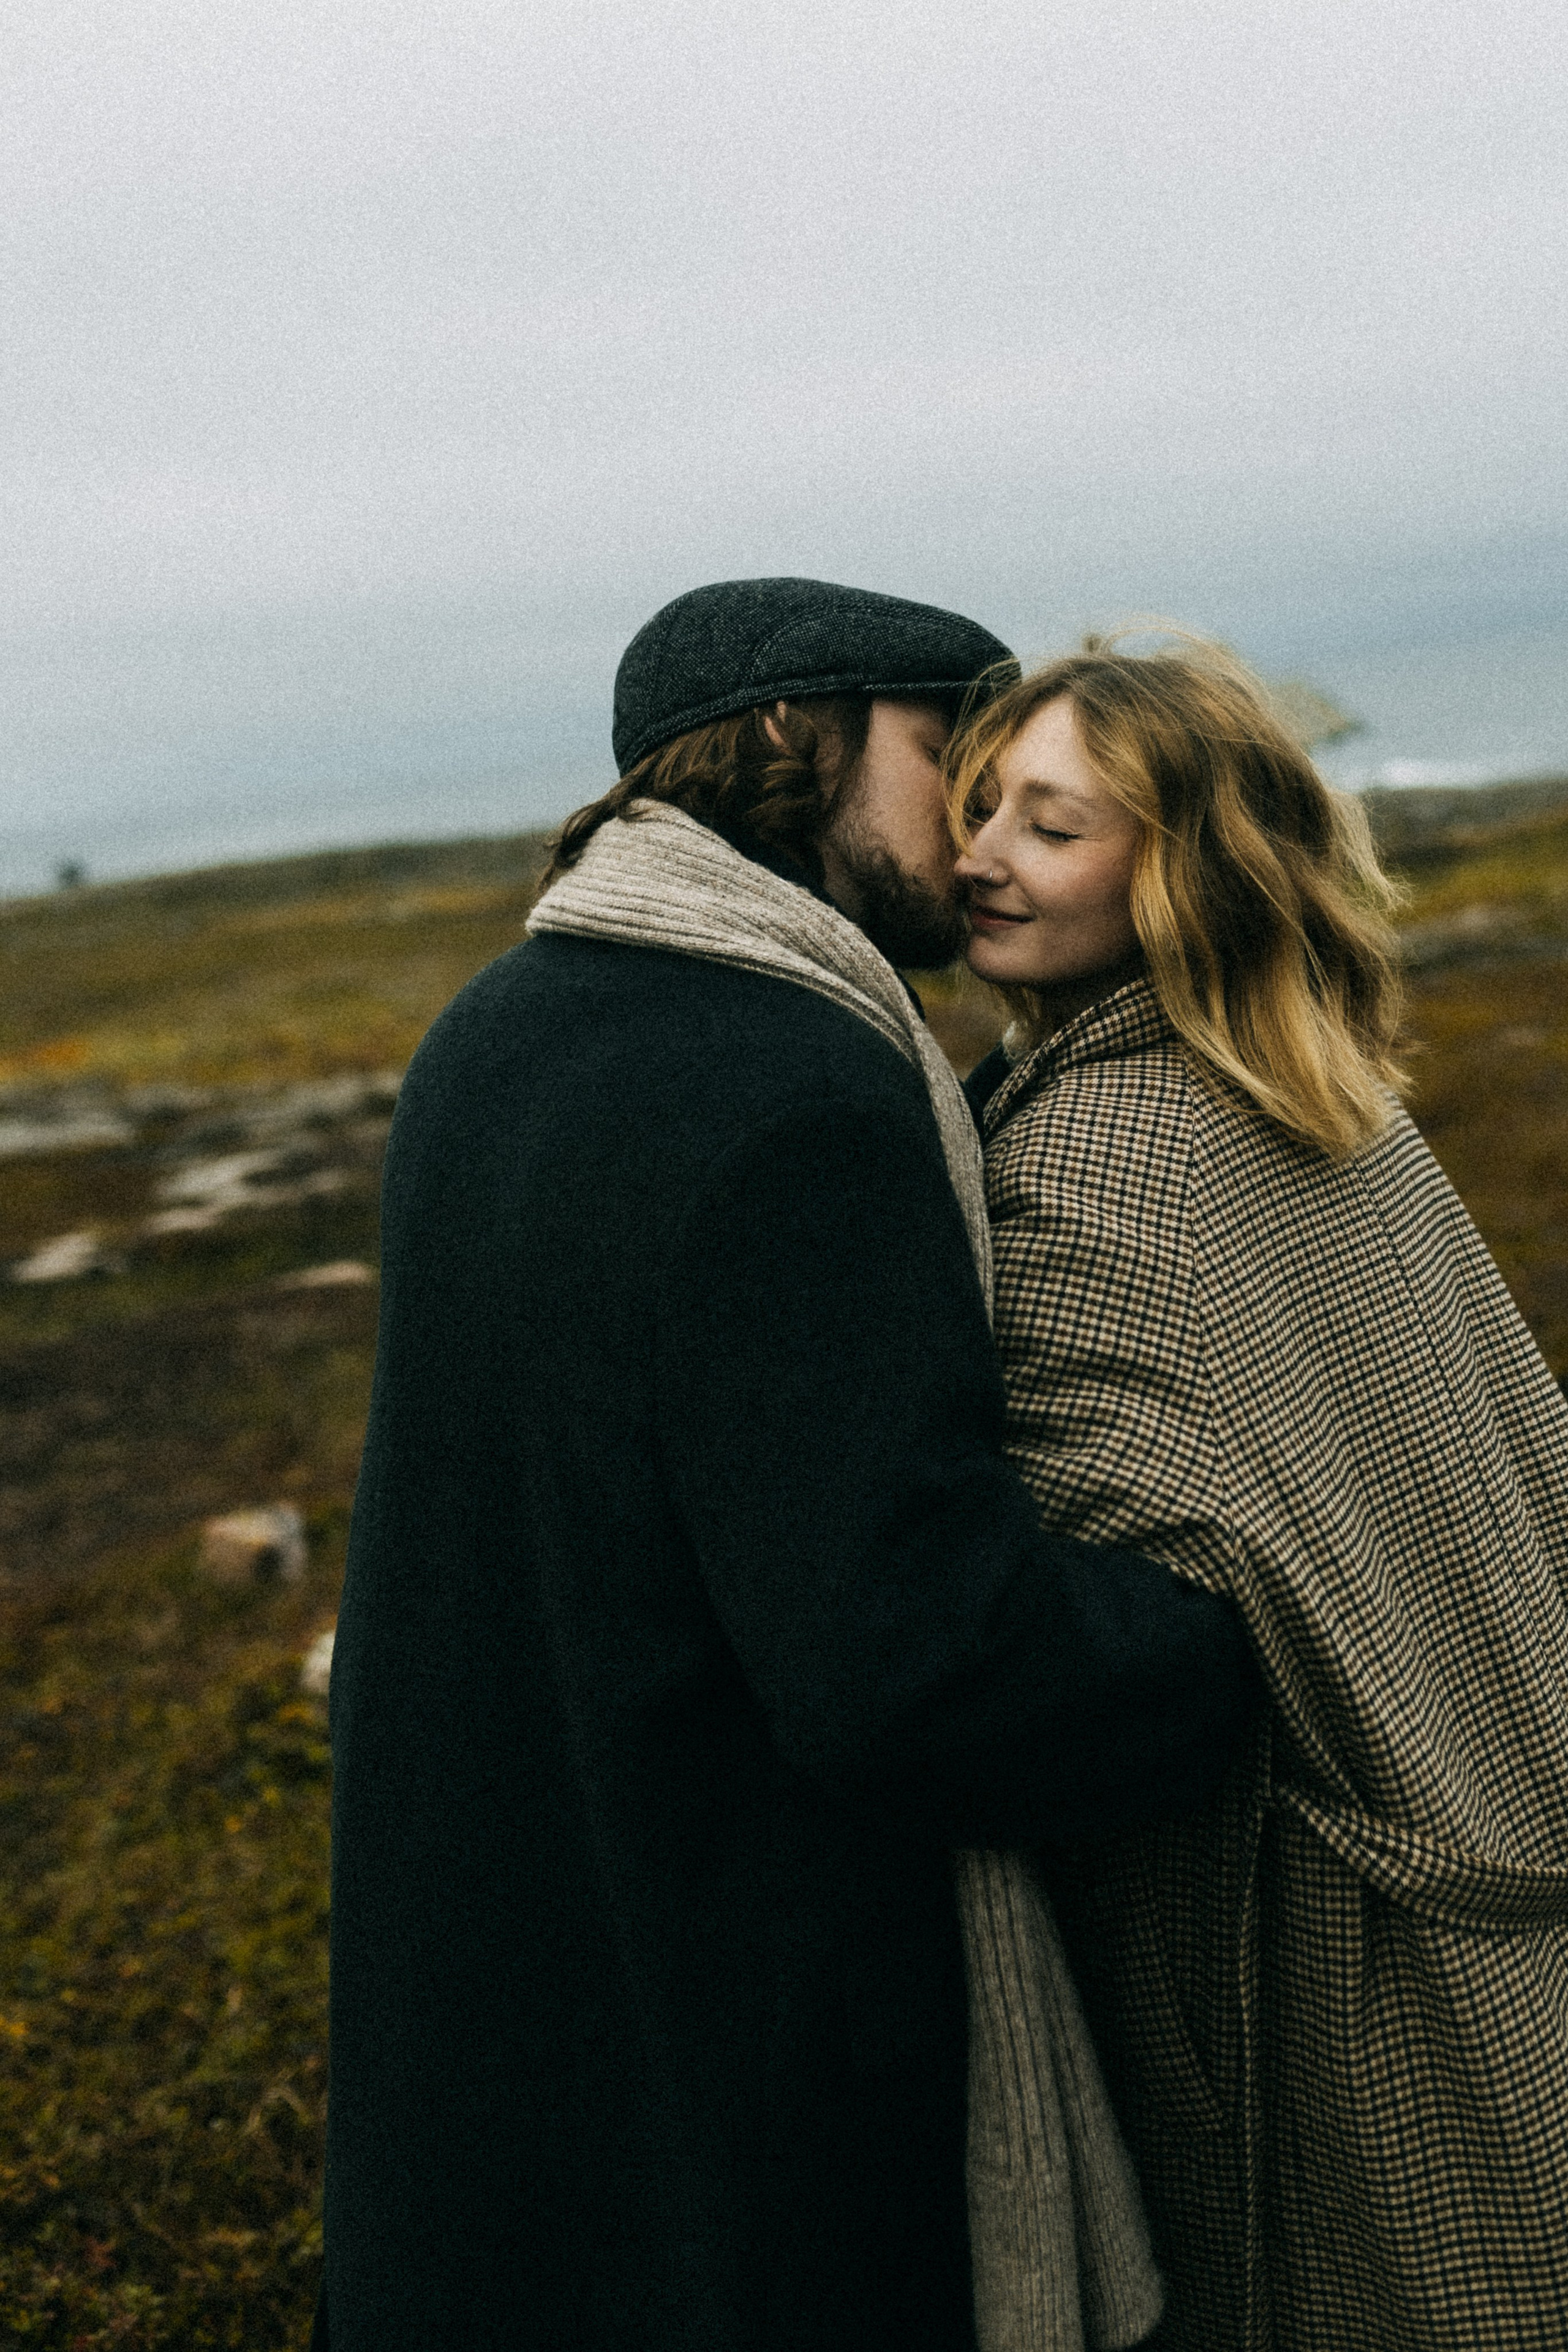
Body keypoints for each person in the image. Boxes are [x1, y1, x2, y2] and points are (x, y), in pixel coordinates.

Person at [315, 578, 1261, 2351]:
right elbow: (915, 1665)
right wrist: (1222, 1646)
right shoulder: (796, 1091)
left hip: (503, 1998)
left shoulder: (498, 1029)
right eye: (943, 757)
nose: (974, 828)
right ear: (786, 738)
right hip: (740, 2048)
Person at [952, 636, 1568, 2352]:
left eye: (1053, 826)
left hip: (1340, 1946)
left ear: (1183, 869)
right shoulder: (1337, 1098)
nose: (981, 852)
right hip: (1511, 1839)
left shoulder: (1088, 1158)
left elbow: (1095, 1609)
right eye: (981, 802)